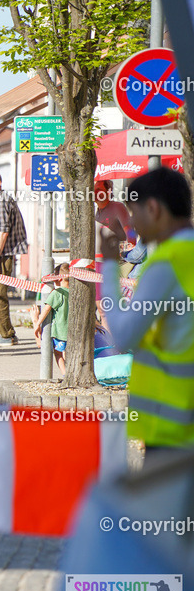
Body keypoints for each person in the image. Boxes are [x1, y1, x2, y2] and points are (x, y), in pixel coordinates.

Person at [100, 168, 194, 453]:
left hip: (170, 419)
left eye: (133, 212)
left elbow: (124, 336)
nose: (133, 224)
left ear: (152, 208)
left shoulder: (167, 261)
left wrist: (109, 265)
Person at [0, 170, 28, 346]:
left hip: (2, 253)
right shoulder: (2, 199)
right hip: (3, 253)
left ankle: (6, 335)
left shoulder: (2, 201)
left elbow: (3, 232)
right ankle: (8, 333)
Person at [32, 262, 70, 375]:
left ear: (59, 278)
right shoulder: (75, 292)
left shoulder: (57, 293)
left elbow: (47, 308)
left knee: (58, 354)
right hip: (73, 332)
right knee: (69, 354)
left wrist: (37, 322)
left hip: (60, 332)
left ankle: (65, 374)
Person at [94, 179, 135, 245]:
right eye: (93, 190)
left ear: (108, 191)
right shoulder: (94, 211)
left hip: (115, 254)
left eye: (98, 189)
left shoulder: (117, 207)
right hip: (97, 254)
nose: (95, 192)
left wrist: (132, 243)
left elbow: (129, 229)